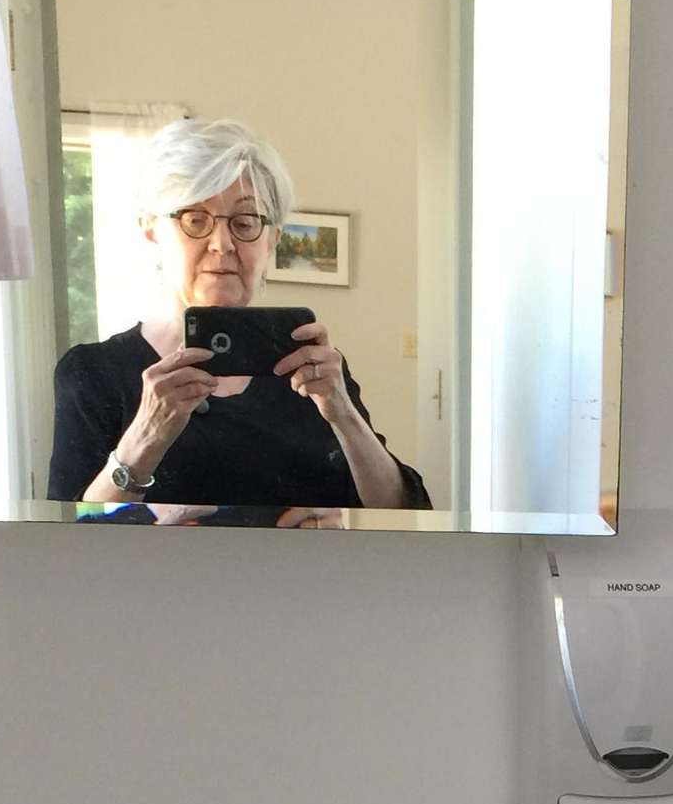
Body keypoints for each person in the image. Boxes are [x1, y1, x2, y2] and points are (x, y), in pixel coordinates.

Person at [46, 118, 426, 515]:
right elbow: (63, 535)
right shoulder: (93, 373)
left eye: (245, 223)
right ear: (151, 230)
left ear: (272, 240)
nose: (222, 243)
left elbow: (402, 513)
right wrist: (143, 440)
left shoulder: (312, 369)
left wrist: (344, 415)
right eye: (195, 219)